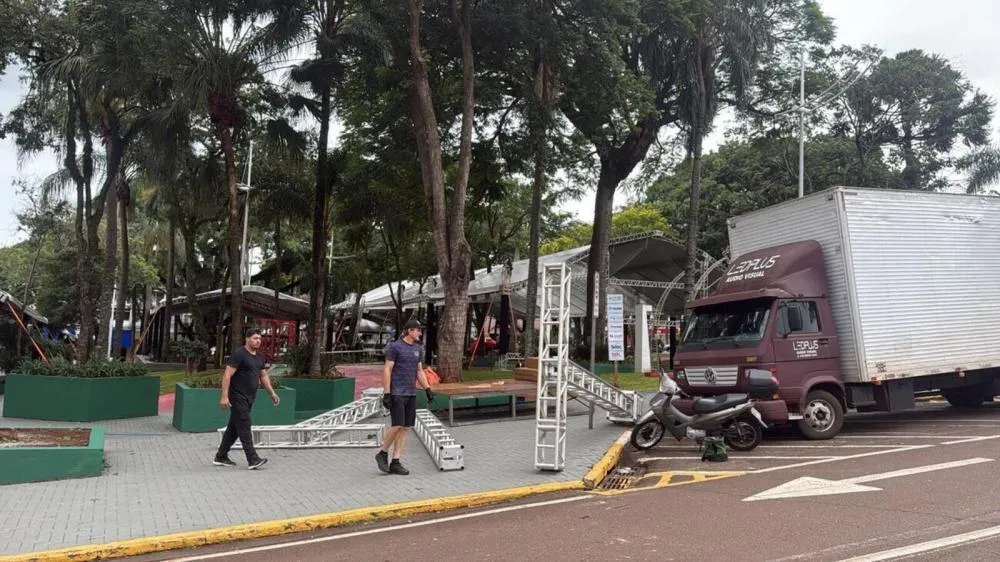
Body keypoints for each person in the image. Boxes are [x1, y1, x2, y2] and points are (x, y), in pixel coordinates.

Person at [214, 328, 280, 470]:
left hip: (250, 398)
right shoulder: (239, 354)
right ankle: (253, 459)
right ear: (247, 339)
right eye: (255, 338)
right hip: (237, 397)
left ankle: (221, 456)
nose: (258, 341)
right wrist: (224, 396)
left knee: (234, 428)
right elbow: (227, 375)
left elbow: (263, 376)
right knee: (244, 425)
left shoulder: (259, 357)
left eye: (260, 339)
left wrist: (272, 393)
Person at [376, 318, 434, 475]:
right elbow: (387, 369)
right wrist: (387, 392)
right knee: (397, 425)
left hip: (410, 393)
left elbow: (419, 371)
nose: (420, 333)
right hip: (397, 392)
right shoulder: (395, 347)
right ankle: (382, 452)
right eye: (418, 330)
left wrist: (427, 388)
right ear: (409, 331)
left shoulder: (417, 349)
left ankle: (396, 461)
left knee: (405, 427)